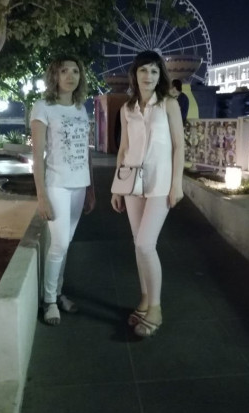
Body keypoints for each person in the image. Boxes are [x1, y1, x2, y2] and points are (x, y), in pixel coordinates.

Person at [111, 50, 184, 337]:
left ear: (160, 75)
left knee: (145, 244)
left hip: (159, 184)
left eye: (154, 71)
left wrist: (177, 184)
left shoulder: (168, 104)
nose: (148, 76)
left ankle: (156, 308)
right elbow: (123, 149)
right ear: (135, 73)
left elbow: (178, 146)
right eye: (143, 70)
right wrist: (116, 187)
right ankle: (144, 300)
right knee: (137, 243)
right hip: (132, 184)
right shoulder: (127, 109)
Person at [31, 56, 96, 326]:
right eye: (64, 71)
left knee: (66, 242)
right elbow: (37, 156)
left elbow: (86, 152)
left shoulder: (81, 108)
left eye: (75, 71)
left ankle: (57, 293)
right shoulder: (43, 107)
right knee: (59, 244)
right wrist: (42, 196)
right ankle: (48, 301)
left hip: (80, 185)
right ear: (54, 76)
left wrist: (91, 188)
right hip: (56, 185)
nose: (70, 76)